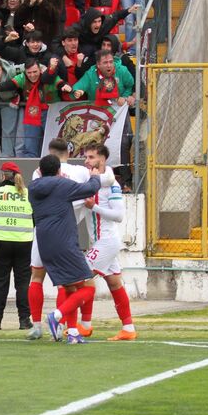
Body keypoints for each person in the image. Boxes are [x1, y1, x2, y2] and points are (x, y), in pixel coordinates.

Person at [30, 153, 106, 344]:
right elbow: (90, 188)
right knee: (88, 287)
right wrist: (95, 175)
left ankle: (72, 333)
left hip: (44, 242)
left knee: (71, 287)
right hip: (64, 242)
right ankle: (56, 316)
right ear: (58, 170)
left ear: (40, 171)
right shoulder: (62, 184)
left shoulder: (33, 187)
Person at [25, 139, 92, 339]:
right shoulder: (81, 172)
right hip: (65, 233)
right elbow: (89, 194)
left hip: (42, 232)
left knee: (36, 277)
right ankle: (64, 325)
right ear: (69, 153)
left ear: (48, 154)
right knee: (70, 285)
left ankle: (36, 325)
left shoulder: (38, 174)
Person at [78, 143, 137, 340]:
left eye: (91, 157)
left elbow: (119, 215)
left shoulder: (111, 185)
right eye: (86, 157)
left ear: (102, 160)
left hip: (106, 241)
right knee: (114, 283)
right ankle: (128, 328)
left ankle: (82, 324)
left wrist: (94, 207)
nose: (87, 161)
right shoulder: (92, 180)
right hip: (100, 242)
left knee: (83, 278)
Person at [0, 162, 34, 330]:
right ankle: (24, 320)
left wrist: (2, 184)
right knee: (23, 284)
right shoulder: (28, 193)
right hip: (24, 243)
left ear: (2, 175)